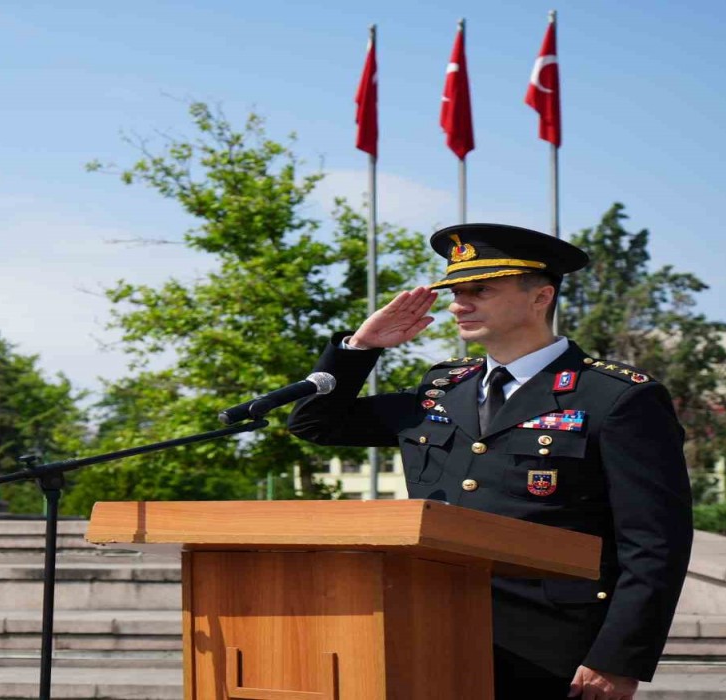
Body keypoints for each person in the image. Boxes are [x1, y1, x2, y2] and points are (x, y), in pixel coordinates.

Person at [288, 223, 693, 700]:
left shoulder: (615, 397)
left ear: (540, 297)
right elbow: (316, 424)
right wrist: (360, 348)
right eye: (456, 292)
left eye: (479, 290)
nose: (458, 305)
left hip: (553, 650)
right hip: (430, 631)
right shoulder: (443, 389)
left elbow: (654, 543)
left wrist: (618, 657)